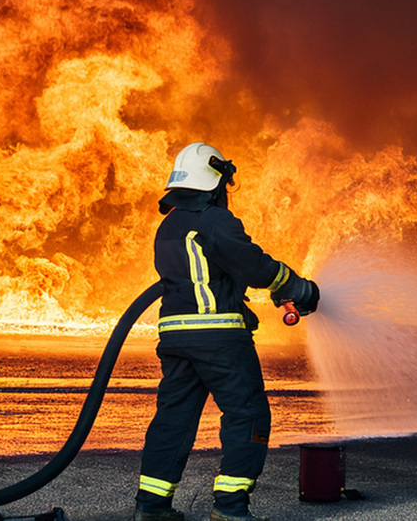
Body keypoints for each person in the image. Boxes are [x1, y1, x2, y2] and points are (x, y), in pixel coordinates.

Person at [134, 142, 320, 521]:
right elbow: (253, 266)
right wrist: (293, 285)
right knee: (247, 413)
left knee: (174, 419)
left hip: (175, 339)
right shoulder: (216, 221)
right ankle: (230, 506)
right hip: (219, 339)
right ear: (215, 182)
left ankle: (152, 506)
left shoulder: (167, 226)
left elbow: (212, 272)